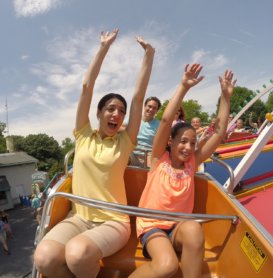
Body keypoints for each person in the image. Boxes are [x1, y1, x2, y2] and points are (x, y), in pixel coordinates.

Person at [33, 28, 155, 278]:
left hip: (113, 221)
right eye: (110, 108)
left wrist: (149, 56)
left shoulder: (125, 141)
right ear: (98, 113)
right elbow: (87, 87)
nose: (117, 114)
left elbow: (138, 96)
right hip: (78, 216)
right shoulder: (83, 135)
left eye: (121, 111)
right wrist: (103, 48)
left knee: (77, 254)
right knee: (43, 258)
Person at [130, 65, 236, 278]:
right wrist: (183, 87)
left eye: (192, 143)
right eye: (183, 142)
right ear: (171, 141)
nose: (188, 148)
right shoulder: (159, 158)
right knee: (167, 266)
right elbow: (167, 120)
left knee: (194, 230)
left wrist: (225, 97)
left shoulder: (192, 163)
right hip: (153, 226)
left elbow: (219, 132)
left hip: (178, 228)